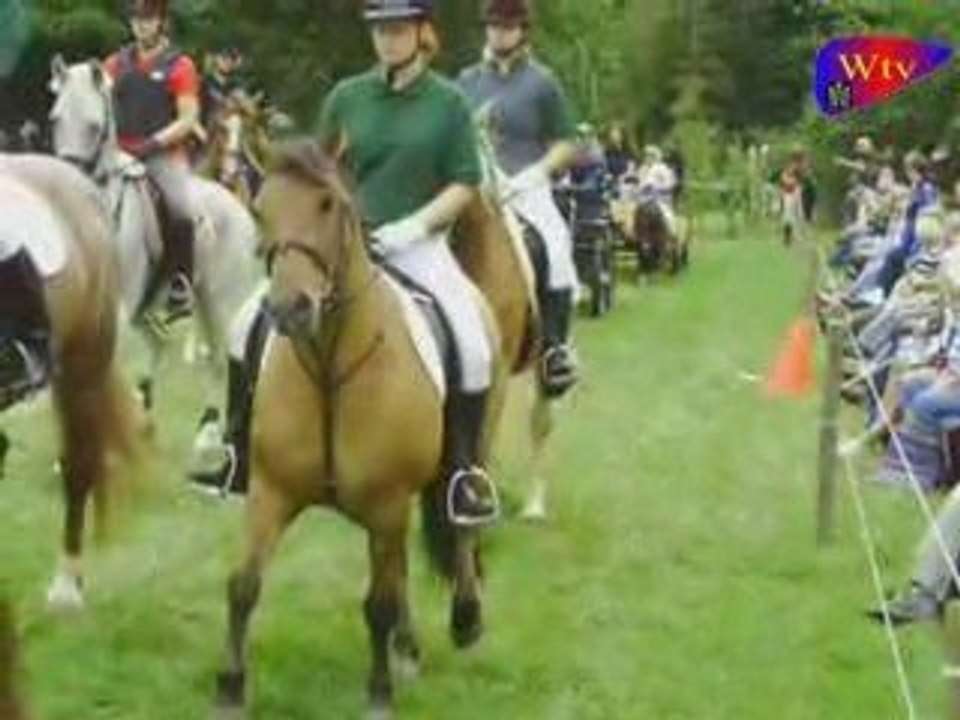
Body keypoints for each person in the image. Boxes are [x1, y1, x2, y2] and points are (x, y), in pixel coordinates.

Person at [193, 0, 500, 526]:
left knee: (470, 342)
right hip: (346, 246)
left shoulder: (448, 104)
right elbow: (317, 169)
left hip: (420, 245)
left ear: (422, 32)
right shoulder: (347, 97)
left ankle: (461, 475)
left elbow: (466, 185)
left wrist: (417, 226)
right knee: (248, 323)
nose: (387, 39)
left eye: (398, 29)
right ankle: (238, 452)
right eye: (380, 29)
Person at [458, 0, 582, 398]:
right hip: (475, 186)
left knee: (557, 246)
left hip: (525, 187)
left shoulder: (542, 83)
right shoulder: (466, 81)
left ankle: (554, 350)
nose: (499, 33)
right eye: (493, 26)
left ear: (522, 31)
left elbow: (566, 142)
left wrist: (536, 173)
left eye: (508, 26)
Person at [103, 0, 201, 322]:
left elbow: (188, 119)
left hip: (162, 156)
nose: (141, 25)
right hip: (118, 154)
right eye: (136, 19)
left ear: (161, 23)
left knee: (182, 211)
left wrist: (152, 144)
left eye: (148, 20)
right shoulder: (115, 64)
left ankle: (179, 284)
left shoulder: (180, 65)